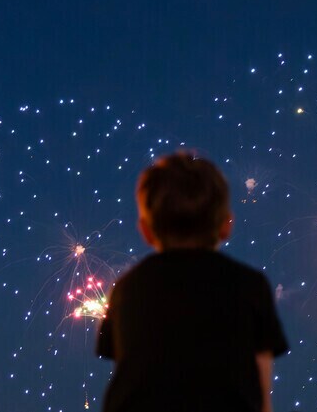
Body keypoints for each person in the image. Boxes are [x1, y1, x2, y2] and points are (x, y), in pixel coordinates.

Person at [96, 151, 288, 412]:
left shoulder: (127, 289)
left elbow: (130, 376)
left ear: (146, 231)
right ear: (226, 225)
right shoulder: (250, 285)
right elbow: (262, 390)